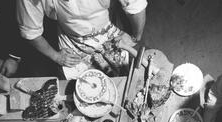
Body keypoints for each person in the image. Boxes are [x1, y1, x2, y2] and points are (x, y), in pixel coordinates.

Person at [16, 0, 148, 79]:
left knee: (129, 77)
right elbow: (31, 32)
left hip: (108, 27)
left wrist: (135, 37)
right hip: (72, 40)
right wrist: (56, 56)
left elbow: (136, 5)